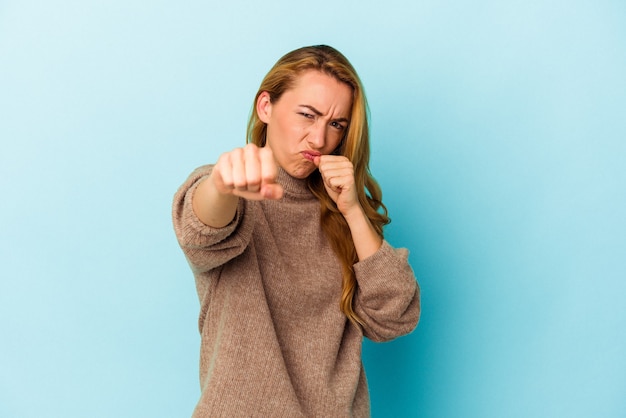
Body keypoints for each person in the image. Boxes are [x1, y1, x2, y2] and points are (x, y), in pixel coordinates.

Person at [172, 45, 420, 417]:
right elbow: (199, 231)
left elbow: (394, 317)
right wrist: (221, 186)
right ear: (266, 107)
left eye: (336, 124)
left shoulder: (341, 212)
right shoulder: (233, 190)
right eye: (308, 115)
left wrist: (353, 211)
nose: (319, 139)